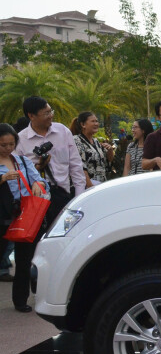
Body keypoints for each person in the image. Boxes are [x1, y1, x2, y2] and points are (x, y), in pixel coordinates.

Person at [0, 123, 48, 312]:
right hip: (3, 216)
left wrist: (38, 184)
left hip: (24, 216)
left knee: (24, 259)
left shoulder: (22, 161)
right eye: (3, 145)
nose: (8, 148)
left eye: (11, 144)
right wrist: (2, 179)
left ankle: (20, 300)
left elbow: (39, 179)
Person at [15, 96, 86, 224]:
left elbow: (75, 165)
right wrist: (37, 168)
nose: (51, 116)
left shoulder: (63, 131)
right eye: (46, 113)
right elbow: (18, 174)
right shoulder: (21, 140)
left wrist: (78, 197)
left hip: (64, 197)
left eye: (51, 111)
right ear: (31, 116)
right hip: (36, 202)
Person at [71, 112, 113, 187]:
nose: (96, 124)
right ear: (83, 124)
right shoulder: (76, 140)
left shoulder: (96, 141)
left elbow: (108, 161)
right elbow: (80, 166)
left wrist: (110, 150)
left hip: (100, 185)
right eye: (93, 121)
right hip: (86, 186)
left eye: (97, 121)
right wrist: (90, 187)